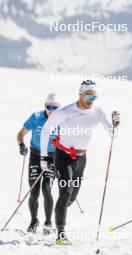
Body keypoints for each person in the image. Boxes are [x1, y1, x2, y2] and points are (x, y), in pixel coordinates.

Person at [40, 80, 120, 244]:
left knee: (72, 196)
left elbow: (113, 135)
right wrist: (43, 156)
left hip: (81, 158)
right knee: (65, 192)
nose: (92, 99)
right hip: (62, 155)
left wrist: (116, 124)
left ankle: (58, 213)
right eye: (89, 95)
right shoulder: (65, 111)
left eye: (95, 96)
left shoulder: (97, 111)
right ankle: (61, 233)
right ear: (81, 94)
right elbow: (46, 130)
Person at [17, 93, 60, 234]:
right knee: (34, 191)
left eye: (55, 107)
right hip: (35, 156)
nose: (52, 110)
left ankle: (48, 222)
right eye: (49, 106)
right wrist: (22, 145)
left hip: (52, 158)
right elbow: (20, 134)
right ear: (45, 106)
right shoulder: (36, 117)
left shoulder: (61, 120)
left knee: (47, 189)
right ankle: (33, 221)